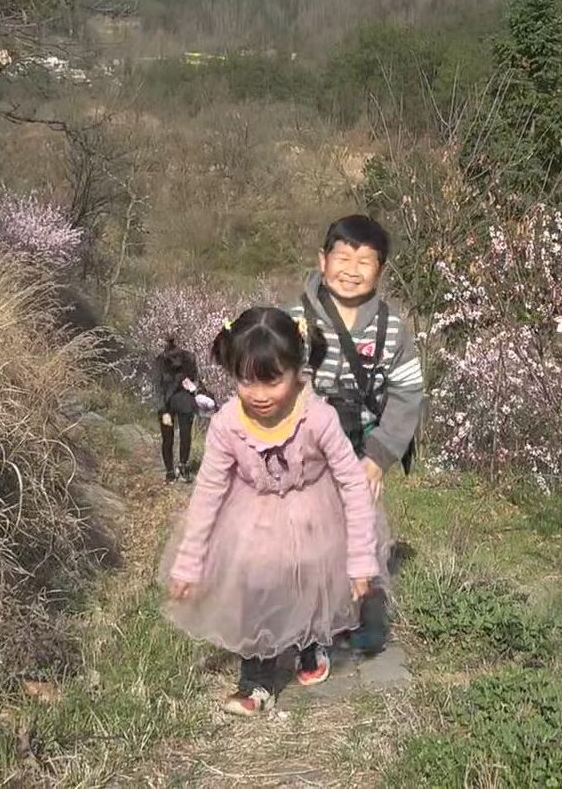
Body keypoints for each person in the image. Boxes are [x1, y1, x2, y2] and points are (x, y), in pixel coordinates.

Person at [160, 307, 381, 716]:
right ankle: (256, 681)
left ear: (298, 371)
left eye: (272, 380)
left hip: (314, 510)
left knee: (307, 580)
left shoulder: (318, 417)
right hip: (253, 515)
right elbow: (209, 491)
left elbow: (351, 484)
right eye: (246, 380)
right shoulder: (228, 424)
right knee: (257, 588)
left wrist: (360, 558)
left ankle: (309, 643)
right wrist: (190, 563)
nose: (259, 394)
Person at [288, 215, 424, 655]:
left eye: (364, 261)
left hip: (362, 441)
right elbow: (275, 381)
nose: (351, 269)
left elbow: (407, 393)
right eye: (342, 257)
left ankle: (366, 616)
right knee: (306, 533)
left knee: (364, 530)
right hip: (307, 445)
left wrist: (379, 456)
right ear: (322, 261)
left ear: (380, 269)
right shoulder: (295, 320)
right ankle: (314, 623)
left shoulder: (393, 328)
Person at [152, 335, 202, 483]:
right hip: (179, 404)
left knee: (169, 437)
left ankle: (171, 471)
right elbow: (195, 379)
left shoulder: (160, 361)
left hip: (168, 406)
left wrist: (161, 405)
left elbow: (157, 385)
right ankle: (181, 466)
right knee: (181, 436)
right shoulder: (188, 358)